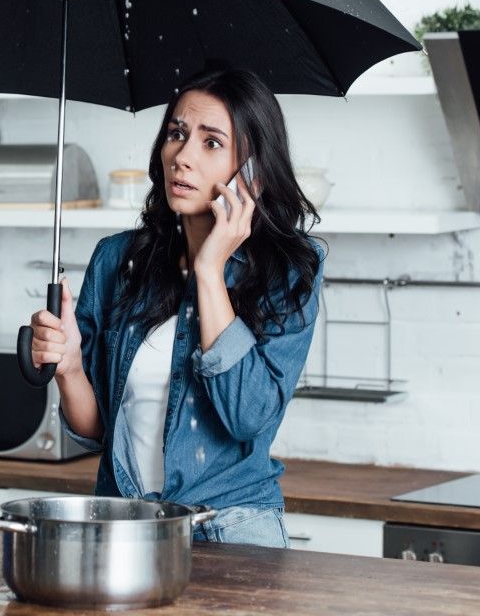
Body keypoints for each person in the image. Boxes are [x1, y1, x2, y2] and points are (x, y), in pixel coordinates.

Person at [29, 65, 324, 547]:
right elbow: (96, 432)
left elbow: (248, 417)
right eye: (176, 134)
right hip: (125, 530)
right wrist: (71, 368)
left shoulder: (289, 272)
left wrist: (210, 271)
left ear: (254, 172)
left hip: (234, 535)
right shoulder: (117, 260)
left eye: (211, 143)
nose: (181, 157)